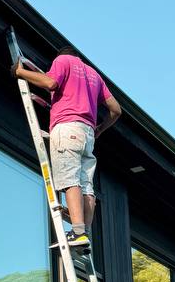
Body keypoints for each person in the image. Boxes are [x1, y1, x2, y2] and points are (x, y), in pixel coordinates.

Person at [14, 48, 122, 251]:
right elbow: (116, 110)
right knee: (86, 186)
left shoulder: (63, 60)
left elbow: (50, 83)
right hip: (88, 133)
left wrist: (20, 72)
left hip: (67, 127)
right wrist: (100, 128)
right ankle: (84, 234)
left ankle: (79, 232)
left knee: (70, 180)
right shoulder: (94, 75)